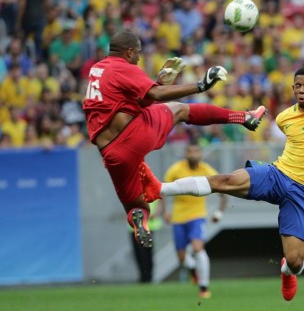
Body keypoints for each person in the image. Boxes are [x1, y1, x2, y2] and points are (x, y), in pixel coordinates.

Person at [140, 62, 304, 301]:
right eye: (296, 86)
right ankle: (160, 188)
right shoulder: (284, 118)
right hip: (278, 174)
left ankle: (287, 271)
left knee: (296, 260)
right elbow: (302, 148)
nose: (300, 91)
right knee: (226, 179)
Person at [82, 30, 267, 249]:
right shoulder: (122, 67)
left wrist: (157, 84)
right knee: (180, 110)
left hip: (111, 154)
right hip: (133, 135)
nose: (139, 58)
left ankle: (142, 225)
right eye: (138, 53)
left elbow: (135, 102)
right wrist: (200, 86)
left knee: (137, 206)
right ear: (129, 51)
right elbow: (156, 96)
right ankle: (244, 117)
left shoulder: (97, 69)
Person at [162, 143, 228, 299]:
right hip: (178, 217)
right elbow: (162, 191)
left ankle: (204, 287)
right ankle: (193, 272)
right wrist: (164, 211)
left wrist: (219, 212)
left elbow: (223, 191)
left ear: (201, 154)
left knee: (198, 248)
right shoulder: (175, 169)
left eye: (196, 151)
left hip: (197, 215)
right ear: (186, 154)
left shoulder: (206, 170)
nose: (193, 154)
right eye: (190, 151)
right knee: (182, 258)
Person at [129, 199, 163, 283]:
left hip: (149, 224)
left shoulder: (151, 186)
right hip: (134, 225)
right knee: (138, 253)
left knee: (146, 252)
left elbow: (160, 199)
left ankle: (148, 277)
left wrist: (156, 213)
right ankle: (143, 276)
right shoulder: (131, 187)